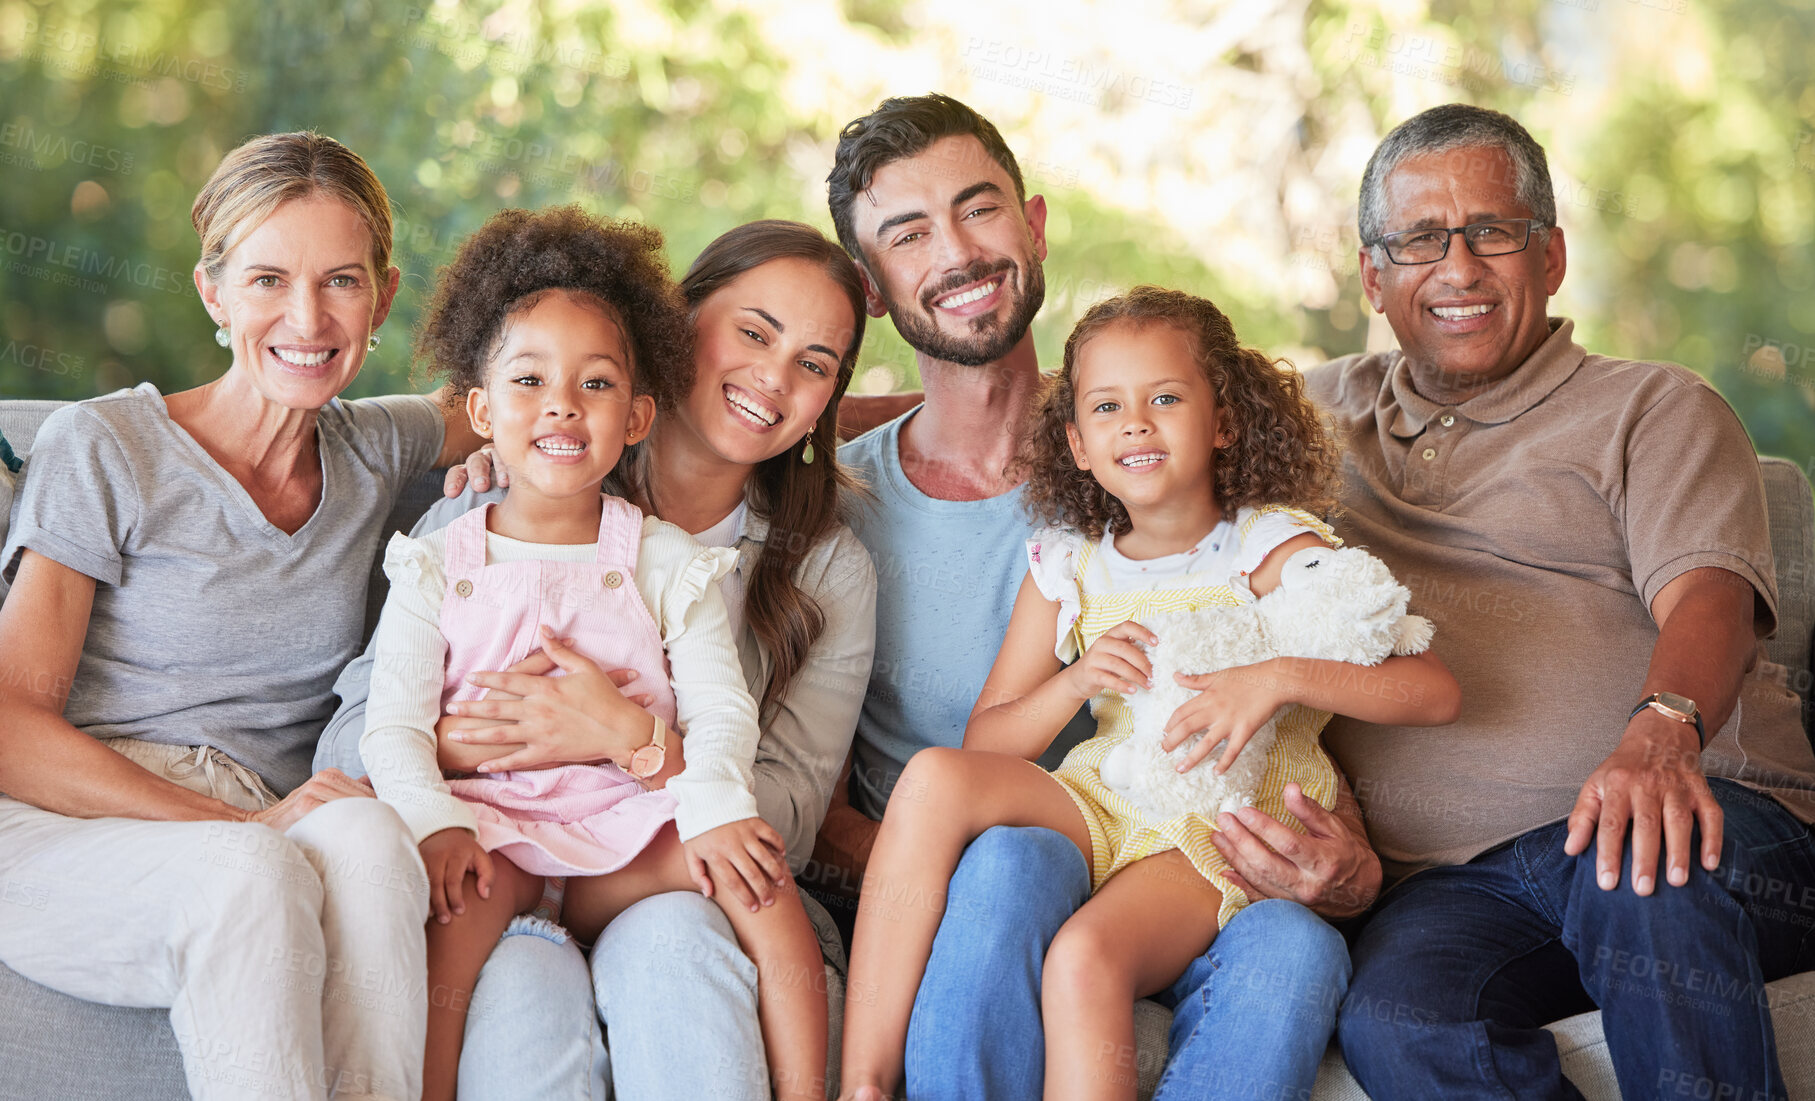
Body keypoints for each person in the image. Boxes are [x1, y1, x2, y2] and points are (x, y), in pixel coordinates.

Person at [814, 93, 1379, 1099]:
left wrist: (1350, 863)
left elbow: (1310, 689)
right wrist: (463, 435)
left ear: (1031, 226)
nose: (958, 251)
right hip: (997, 865)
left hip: (1199, 865)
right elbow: (788, 775)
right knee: (1005, 866)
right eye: (910, 233)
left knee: (1300, 949)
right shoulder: (835, 505)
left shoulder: (1147, 455)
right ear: (869, 285)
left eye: (978, 209)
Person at [837, 286, 1460, 1100]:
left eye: (1165, 397)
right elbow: (983, 746)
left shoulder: (1268, 547)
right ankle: (863, 1082)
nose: (1135, 422)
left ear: (1223, 420)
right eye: (1106, 406)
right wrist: (1073, 681)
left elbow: (1432, 688)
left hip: (1216, 822)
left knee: (1083, 958)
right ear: (1077, 444)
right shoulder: (1070, 562)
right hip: (1107, 799)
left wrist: (1274, 679)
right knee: (931, 778)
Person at [1309, 103, 1815, 1098]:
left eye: (1491, 232)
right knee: (1399, 1013)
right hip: (1455, 885)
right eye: (1419, 239)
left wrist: (1660, 731)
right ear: (1374, 276)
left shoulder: (1652, 407)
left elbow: (1707, 594)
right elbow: (1119, 409)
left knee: (1641, 867)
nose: (1458, 268)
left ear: (1550, 256)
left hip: (1703, 816)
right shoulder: (1308, 419)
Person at [316, 219, 877, 1100]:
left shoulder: (787, 563)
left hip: (642, 842)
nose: (772, 376)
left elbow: (788, 820)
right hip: (491, 833)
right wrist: (488, 747)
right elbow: (358, 739)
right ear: (679, 325)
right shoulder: (476, 521)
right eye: (754, 332)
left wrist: (629, 738)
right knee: (460, 947)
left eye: (814, 362)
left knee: (723, 903)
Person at [0, 131, 485, 1101]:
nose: (306, 317)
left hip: (268, 823)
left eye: (341, 281)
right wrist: (244, 824)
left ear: (382, 299)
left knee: (372, 839)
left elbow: (534, 396)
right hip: (71, 826)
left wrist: (863, 421)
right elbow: (11, 729)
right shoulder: (105, 448)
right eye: (267, 279)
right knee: (252, 875)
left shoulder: (373, 449)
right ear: (213, 293)